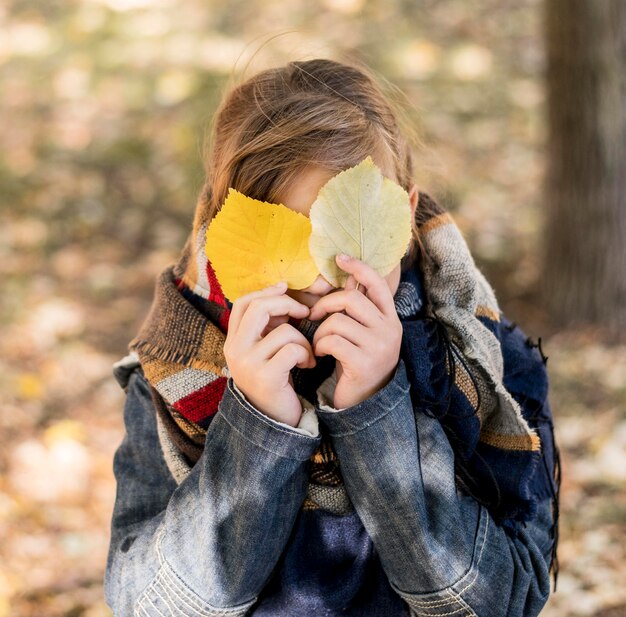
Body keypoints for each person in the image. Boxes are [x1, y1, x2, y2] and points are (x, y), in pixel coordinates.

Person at [104, 58, 560, 616]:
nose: (320, 282)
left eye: (342, 242)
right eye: (288, 243)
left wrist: (378, 414)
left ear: (404, 215)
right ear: (231, 234)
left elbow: (504, 603)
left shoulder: (490, 365)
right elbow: (148, 607)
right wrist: (257, 427)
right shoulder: (173, 376)